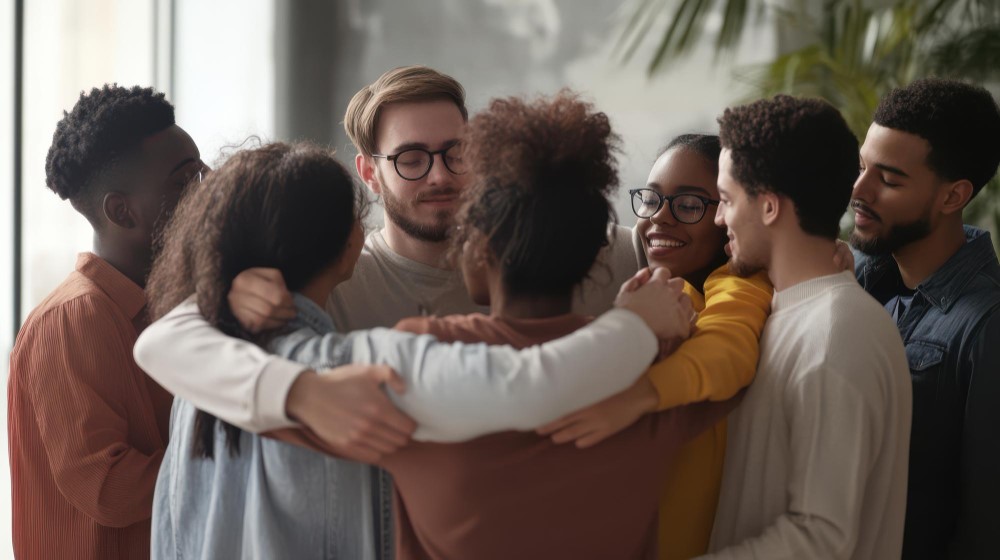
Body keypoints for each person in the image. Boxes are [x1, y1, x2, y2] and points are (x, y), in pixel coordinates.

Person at [142, 140, 690, 560]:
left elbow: (161, 341)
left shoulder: (196, 380)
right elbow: (532, 383)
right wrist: (636, 324)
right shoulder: (368, 372)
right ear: (350, 241)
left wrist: (221, 296)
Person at [537, 134, 772, 559]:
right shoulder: (645, 283)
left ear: (728, 215)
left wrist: (634, 397)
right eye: (651, 200)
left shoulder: (739, 285)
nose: (660, 218)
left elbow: (726, 350)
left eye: (688, 204)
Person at [700, 95, 912, 559]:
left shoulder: (838, 336)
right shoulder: (798, 313)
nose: (719, 219)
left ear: (770, 207)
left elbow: (820, 538)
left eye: (726, 200)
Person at [7, 84, 205, 558]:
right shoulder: (73, 319)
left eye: (202, 168)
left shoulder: (177, 302)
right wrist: (250, 456)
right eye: (185, 180)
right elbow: (109, 489)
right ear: (122, 211)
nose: (210, 185)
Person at [849, 78, 1000, 559]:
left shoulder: (986, 326)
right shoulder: (856, 283)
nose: (858, 191)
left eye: (888, 180)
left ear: (953, 197)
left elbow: (985, 526)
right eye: (860, 167)